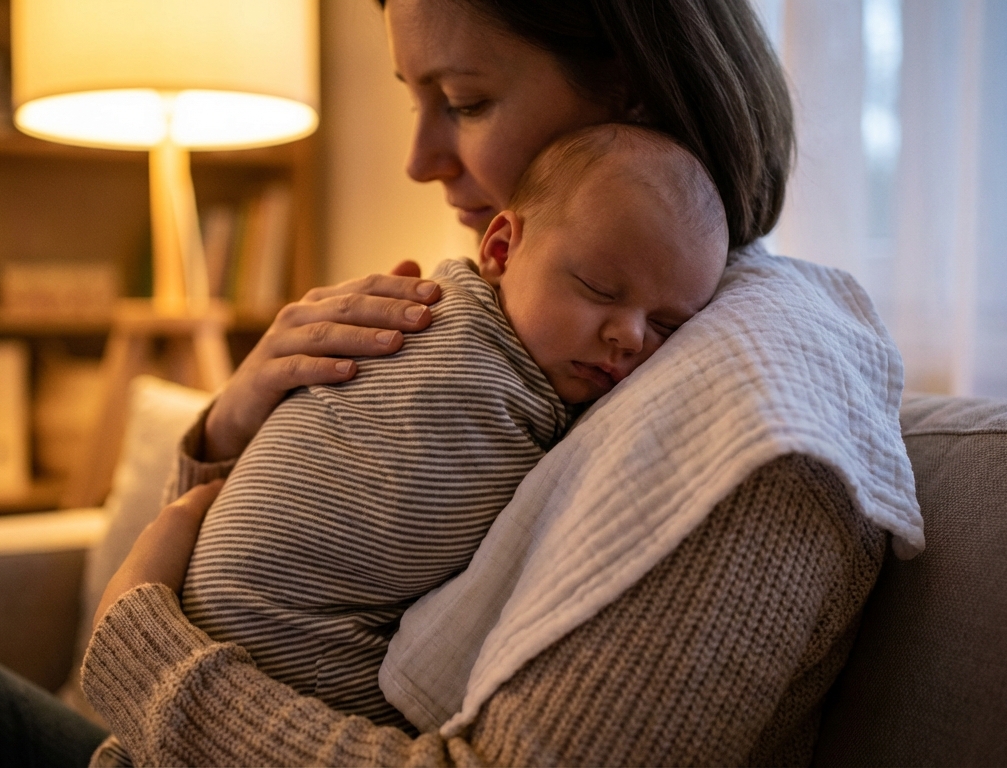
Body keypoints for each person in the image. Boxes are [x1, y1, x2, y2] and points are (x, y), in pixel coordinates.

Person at [0, 0, 894, 765]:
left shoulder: (758, 412)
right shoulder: (529, 324)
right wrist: (234, 427)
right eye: (413, 97)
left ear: (633, 88)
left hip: (166, 710)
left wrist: (143, 644)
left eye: (467, 101)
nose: (420, 159)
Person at [179, 124, 727, 728]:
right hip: (277, 633)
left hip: (200, 615)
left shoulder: (471, 313)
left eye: (669, 326)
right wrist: (223, 426)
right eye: (598, 288)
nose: (628, 335)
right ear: (500, 251)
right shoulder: (470, 366)